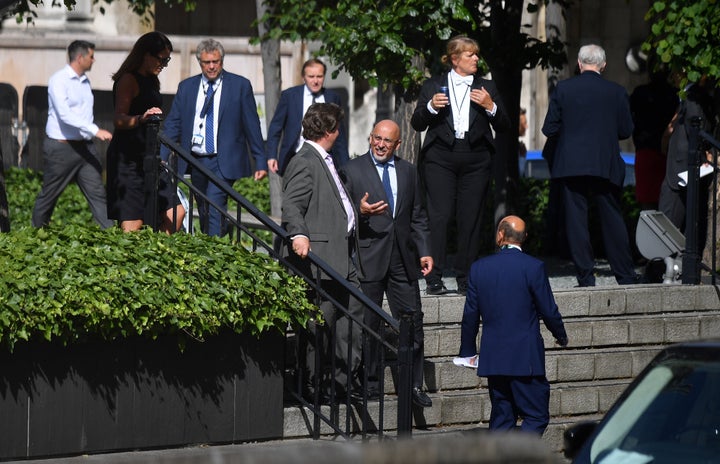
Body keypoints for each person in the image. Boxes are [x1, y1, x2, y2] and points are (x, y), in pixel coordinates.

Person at [341, 119, 433, 408]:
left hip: (402, 260)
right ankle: (369, 384)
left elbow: (417, 215)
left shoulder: (408, 171)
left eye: (387, 141)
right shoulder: (352, 170)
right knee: (368, 324)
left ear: (398, 143)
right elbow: (338, 213)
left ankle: (413, 386)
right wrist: (360, 211)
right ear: (370, 138)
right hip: (368, 258)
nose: (381, 144)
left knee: (412, 321)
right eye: (377, 138)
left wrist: (425, 251)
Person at [411, 35, 510, 296]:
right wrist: (431, 107)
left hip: (476, 157)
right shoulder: (433, 84)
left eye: (477, 54)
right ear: (455, 59)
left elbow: (504, 125)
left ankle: (466, 277)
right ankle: (434, 276)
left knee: (471, 219)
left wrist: (491, 107)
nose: (476, 59)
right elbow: (417, 123)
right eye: (470, 55)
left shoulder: (486, 86)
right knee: (440, 216)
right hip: (441, 157)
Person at [282, 102, 363, 401]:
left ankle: (343, 382)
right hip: (321, 260)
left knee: (351, 319)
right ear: (330, 131)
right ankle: (312, 386)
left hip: (343, 257)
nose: (339, 133)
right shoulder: (305, 160)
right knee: (319, 327)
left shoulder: (323, 158)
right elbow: (291, 203)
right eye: (338, 128)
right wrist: (299, 233)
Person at [458, 215, 568, 435]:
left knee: (502, 418)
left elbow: (470, 314)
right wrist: (561, 335)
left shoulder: (480, 268)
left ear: (500, 234)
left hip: (494, 358)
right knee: (536, 415)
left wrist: (467, 351)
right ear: (524, 237)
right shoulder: (533, 267)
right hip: (525, 360)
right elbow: (548, 309)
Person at [541, 44, 639, 287]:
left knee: (576, 221)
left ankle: (586, 277)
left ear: (579, 62)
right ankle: (625, 275)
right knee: (612, 218)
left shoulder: (564, 89)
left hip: (571, 164)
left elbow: (549, 128)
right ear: (603, 65)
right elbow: (626, 130)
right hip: (604, 162)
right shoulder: (616, 91)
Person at [162, 38, 267, 236]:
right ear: (199, 63)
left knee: (214, 198)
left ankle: (214, 248)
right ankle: (215, 234)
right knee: (203, 204)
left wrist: (260, 160)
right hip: (196, 158)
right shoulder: (187, 87)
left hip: (224, 158)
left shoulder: (239, 86)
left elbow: (252, 125)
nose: (211, 66)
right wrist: (162, 154)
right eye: (206, 62)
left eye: (215, 62)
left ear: (222, 61)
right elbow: (173, 124)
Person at [105, 31, 185, 233]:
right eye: (161, 59)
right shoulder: (128, 80)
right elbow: (118, 118)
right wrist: (140, 118)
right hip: (128, 160)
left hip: (149, 157)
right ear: (145, 55)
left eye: (167, 60)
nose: (163, 64)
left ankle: (156, 256)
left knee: (176, 212)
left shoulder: (151, 80)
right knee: (133, 223)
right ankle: (131, 261)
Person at [32, 40, 114, 229]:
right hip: (61, 148)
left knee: (98, 194)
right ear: (80, 57)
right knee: (49, 195)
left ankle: (111, 235)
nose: (94, 60)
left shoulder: (85, 81)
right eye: (91, 56)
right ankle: (36, 235)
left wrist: (90, 134)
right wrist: (95, 130)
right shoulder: (58, 80)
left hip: (85, 148)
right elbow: (64, 114)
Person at [266, 58, 349, 217]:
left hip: (325, 158)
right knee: (295, 198)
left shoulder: (333, 97)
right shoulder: (290, 95)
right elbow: (276, 126)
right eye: (311, 76)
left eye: (319, 76)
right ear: (303, 77)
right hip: (295, 155)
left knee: (322, 201)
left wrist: (345, 165)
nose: (315, 81)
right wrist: (271, 155)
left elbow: (340, 135)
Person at [658, 77, 717, 254]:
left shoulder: (693, 96)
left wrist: (705, 151)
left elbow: (696, 128)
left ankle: (663, 265)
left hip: (684, 167)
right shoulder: (691, 95)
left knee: (671, 218)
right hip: (683, 165)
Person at [630, 67, 679, 210]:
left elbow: (632, 120)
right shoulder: (673, 95)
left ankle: (649, 232)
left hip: (646, 150)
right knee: (668, 201)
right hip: (667, 152)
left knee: (647, 203)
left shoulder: (639, 93)